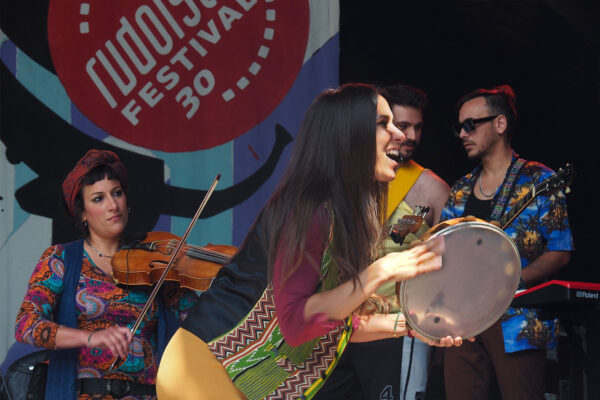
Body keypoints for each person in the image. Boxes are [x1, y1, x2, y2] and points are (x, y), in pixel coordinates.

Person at [156, 83, 465, 400]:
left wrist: (413, 325)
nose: (399, 134)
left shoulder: (344, 215)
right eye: (382, 124)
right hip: (203, 365)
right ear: (348, 136)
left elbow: (335, 322)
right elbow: (296, 322)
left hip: (247, 378)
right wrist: (382, 270)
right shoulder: (308, 209)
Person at [14, 149, 201, 399]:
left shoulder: (156, 266)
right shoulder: (61, 259)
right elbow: (27, 325)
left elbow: (201, 318)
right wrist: (90, 338)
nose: (113, 205)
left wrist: (225, 277)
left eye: (117, 193)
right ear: (82, 213)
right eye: (98, 199)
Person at [313, 84, 450, 400]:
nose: (410, 136)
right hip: (340, 323)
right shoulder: (342, 184)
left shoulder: (432, 188)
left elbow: (448, 265)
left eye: (417, 127)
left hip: (397, 327)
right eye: (400, 126)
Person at [442, 85, 573, 399]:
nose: (462, 133)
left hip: (517, 321)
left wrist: (512, 279)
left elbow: (561, 251)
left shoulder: (539, 180)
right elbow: (444, 253)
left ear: (499, 124)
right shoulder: (460, 189)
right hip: (463, 322)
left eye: (470, 125)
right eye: (459, 126)